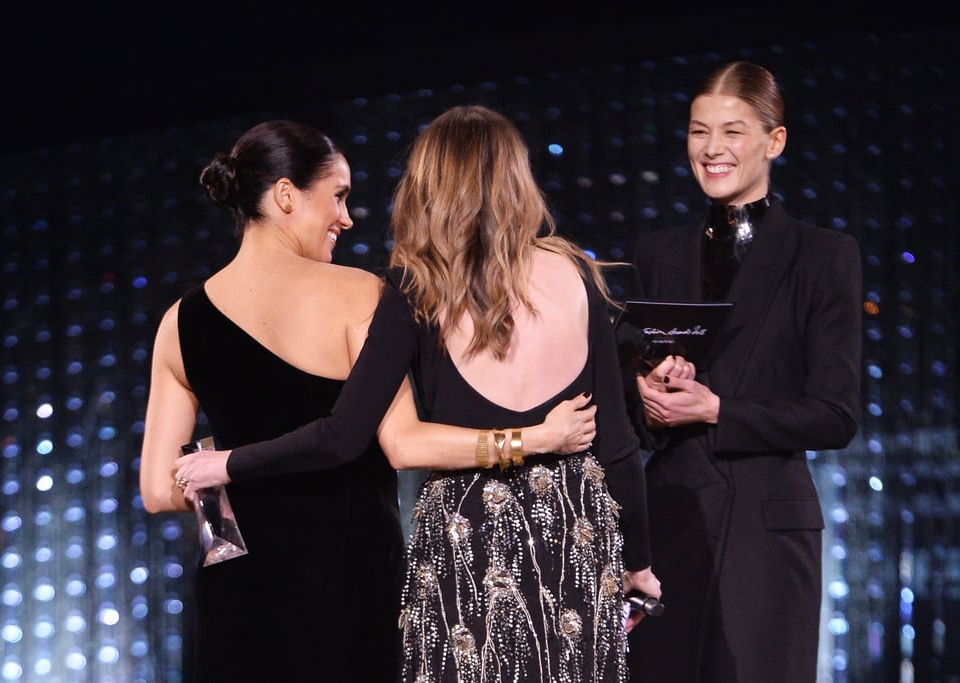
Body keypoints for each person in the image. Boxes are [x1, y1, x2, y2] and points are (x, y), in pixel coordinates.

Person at [174, 105, 662, 682]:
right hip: (573, 533)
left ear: (429, 185)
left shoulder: (412, 288)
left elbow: (343, 436)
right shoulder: (576, 273)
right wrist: (638, 563)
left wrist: (229, 461)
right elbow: (621, 448)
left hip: (466, 542)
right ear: (516, 177)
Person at [624, 61, 862, 682]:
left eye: (732, 131)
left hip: (768, 530)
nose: (712, 149)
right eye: (699, 131)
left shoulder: (822, 256)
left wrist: (718, 411)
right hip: (670, 521)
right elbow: (629, 401)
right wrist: (644, 395)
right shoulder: (658, 253)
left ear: (774, 141)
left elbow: (836, 415)